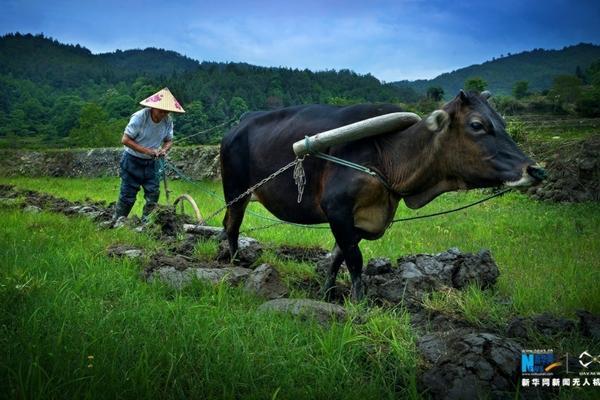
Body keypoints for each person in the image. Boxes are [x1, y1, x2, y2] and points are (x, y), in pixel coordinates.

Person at [113, 87, 186, 223]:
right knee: (128, 195)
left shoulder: (168, 121)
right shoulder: (140, 118)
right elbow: (125, 140)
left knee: (153, 194)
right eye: (161, 111)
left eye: (166, 111)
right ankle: (117, 221)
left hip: (152, 163)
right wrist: (147, 151)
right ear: (153, 108)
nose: (163, 114)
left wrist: (164, 150)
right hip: (132, 161)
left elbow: (169, 140)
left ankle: (147, 224)